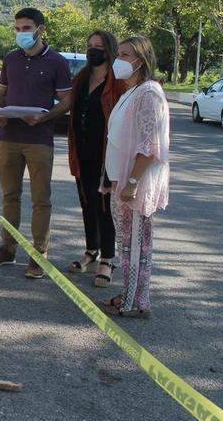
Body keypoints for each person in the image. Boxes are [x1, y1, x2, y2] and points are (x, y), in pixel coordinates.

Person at [0, 8, 73, 278]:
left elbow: (67, 101)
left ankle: (39, 253)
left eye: (26, 28)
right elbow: (1, 95)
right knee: (10, 196)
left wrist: (45, 117)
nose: (21, 33)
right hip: (9, 138)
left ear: (40, 29)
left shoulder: (57, 62)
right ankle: (7, 249)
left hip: (39, 140)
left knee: (40, 199)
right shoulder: (10, 60)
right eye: (18, 28)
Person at [100, 35, 169, 318]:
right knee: (127, 246)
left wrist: (131, 183)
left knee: (136, 246)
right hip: (121, 181)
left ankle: (136, 304)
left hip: (134, 185)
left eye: (126, 55)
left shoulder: (149, 93)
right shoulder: (132, 91)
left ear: (140, 60)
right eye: (119, 54)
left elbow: (149, 146)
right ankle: (130, 295)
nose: (119, 60)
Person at [65, 30, 126, 288]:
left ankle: (108, 258)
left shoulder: (118, 81)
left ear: (109, 49)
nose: (93, 50)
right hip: (81, 151)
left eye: (98, 46)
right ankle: (92, 249)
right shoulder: (81, 78)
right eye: (90, 45)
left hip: (105, 154)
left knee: (105, 206)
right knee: (87, 202)